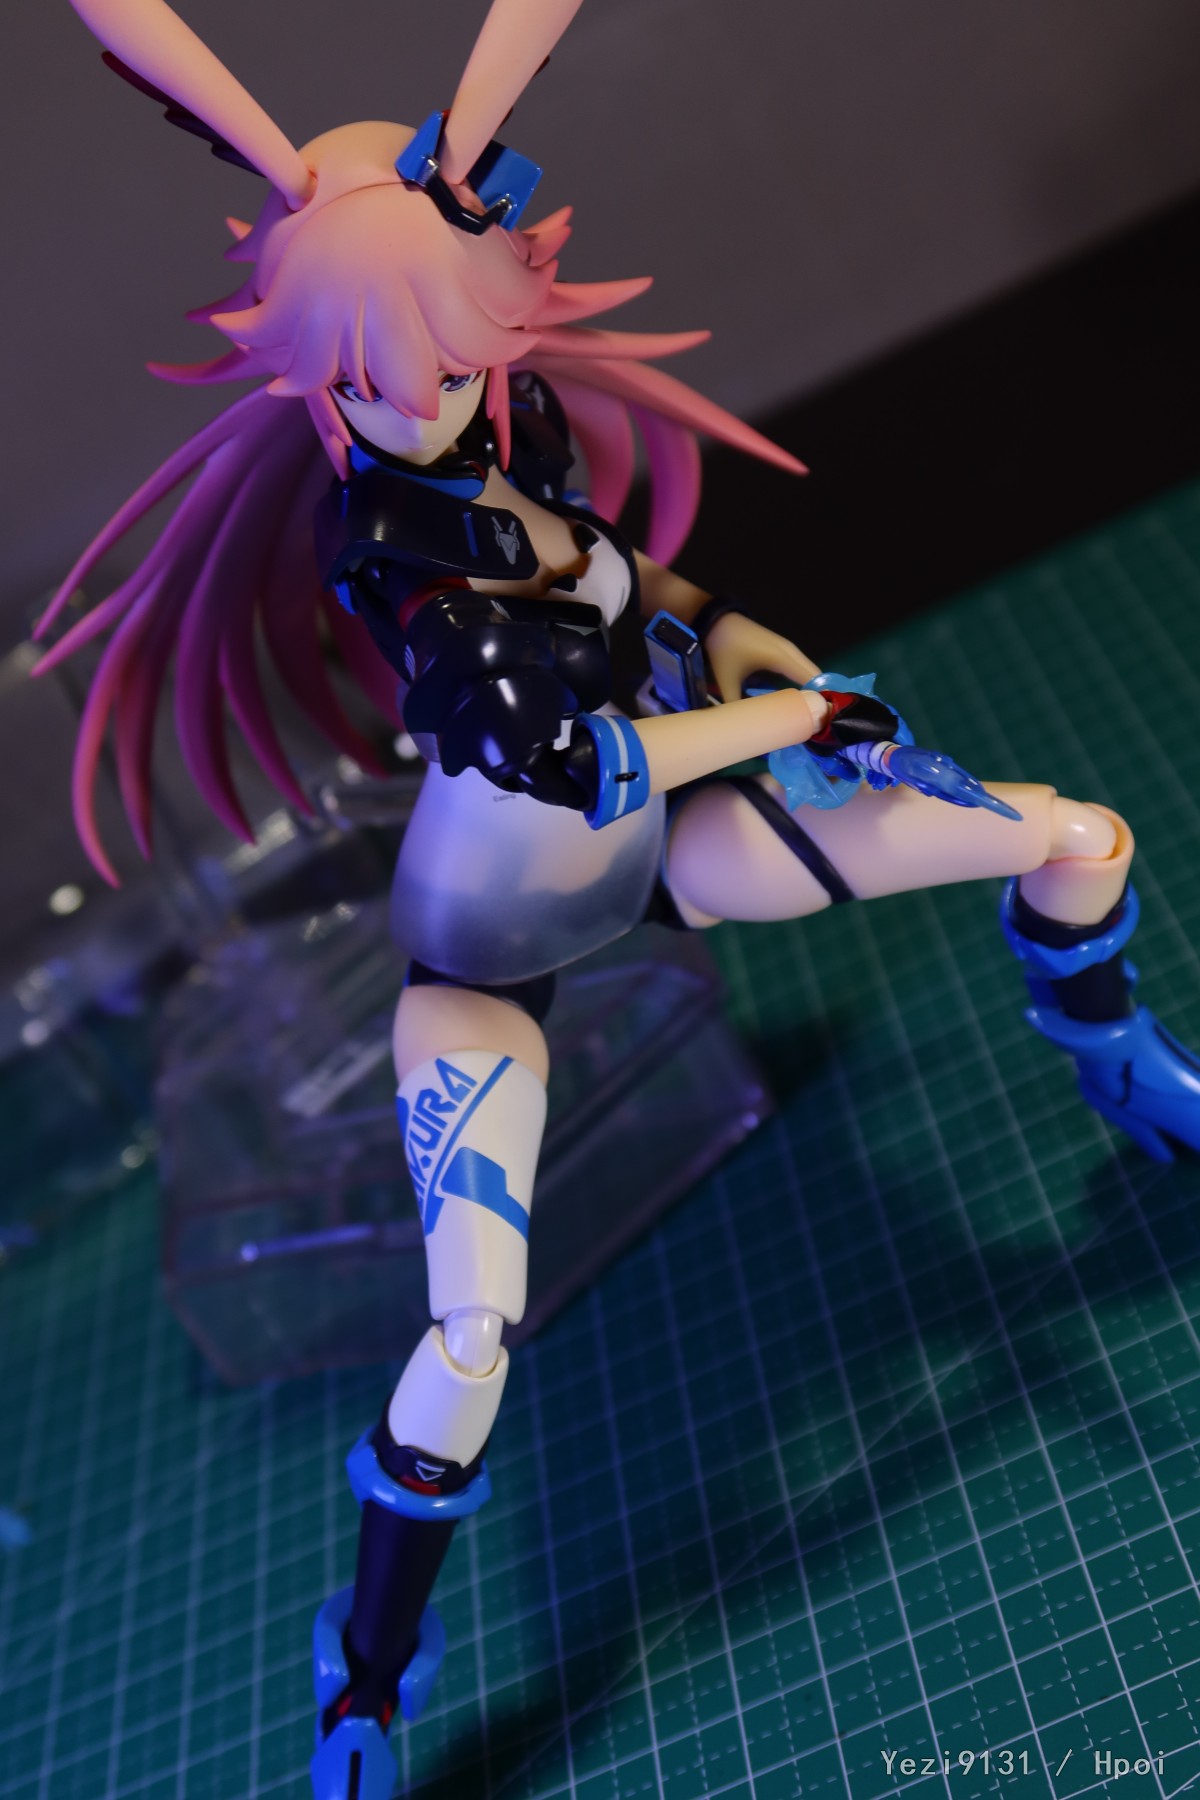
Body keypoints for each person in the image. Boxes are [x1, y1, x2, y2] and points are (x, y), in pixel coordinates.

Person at [37, 2, 1200, 1793]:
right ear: (317, 380)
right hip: (484, 969)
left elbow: (643, 592)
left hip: (676, 868)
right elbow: (580, 763)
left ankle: (1131, 1080)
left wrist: (756, 654)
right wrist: (788, 719)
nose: (428, 398)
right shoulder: (401, 562)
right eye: (383, 375)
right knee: (470, 1337)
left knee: (1080, 840)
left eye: (452, 356)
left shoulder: (506, 455)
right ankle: (364, 1685)